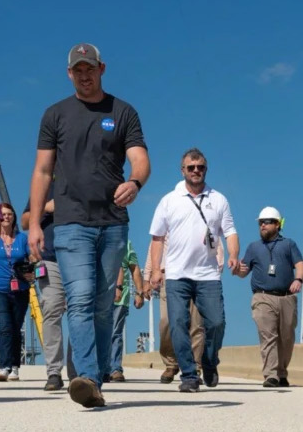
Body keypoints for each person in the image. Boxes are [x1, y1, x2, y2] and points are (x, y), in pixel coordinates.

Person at [27, 43, 151, 409]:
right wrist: (35, 224)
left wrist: (136, 182)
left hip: (112, 224)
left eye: (90, 68)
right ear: (69, 73)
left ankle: (92, 378)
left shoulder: (123, 112)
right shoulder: (55, 114)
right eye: (77, 69)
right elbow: (42, 171)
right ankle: (88, 379)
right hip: (70, 223)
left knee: (101, 304)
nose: (84, 74)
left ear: (101, 68)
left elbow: (140, 159)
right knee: (79, 299)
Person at [146, 148, 237, 393]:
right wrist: (156, 270)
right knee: (177, 323)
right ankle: (188, 374)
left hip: (208, 275)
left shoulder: (218, 199)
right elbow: (157, 238)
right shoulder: (169, 200)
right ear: (183, 170)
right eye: (191, 167)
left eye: (200, 167)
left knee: (216, 323)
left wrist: (234, 256)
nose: (196, 171)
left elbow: (229, 232)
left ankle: (208, 361)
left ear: (206, 169)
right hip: (176, 274)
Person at [234, 206, 303, 388]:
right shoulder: (253, 247)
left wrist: (298, 279)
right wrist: (237, 271)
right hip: (262, 297)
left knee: (287, 338)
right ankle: (270, 375)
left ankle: (282, 373)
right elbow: (244, 272)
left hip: (287, 298)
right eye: (260, 223)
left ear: (277, 224)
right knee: (268, 336)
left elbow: (300, 265)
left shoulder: (288, 244)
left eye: (267, 222)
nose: (263, 226)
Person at [22, 195, 75, 390]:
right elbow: (25, 221)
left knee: (79, 312)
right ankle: (53, 371)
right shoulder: (43, 187)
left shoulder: (78, 177)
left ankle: (76, 370)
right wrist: (46, 207)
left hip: (77, 256)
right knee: (51, 309)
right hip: (49, 258)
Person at [0, 203, 34, 382]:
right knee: (5, 326)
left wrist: (32, 267)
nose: (6, 217)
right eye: (2, 214)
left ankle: (15, 366)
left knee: (16, 328)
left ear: (13, 217)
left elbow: (32, 257)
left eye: (9, 214)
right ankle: (4, 366)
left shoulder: (22, 239)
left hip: (20, 289)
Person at [154, 263, 205, 383]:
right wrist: (147, 277)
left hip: (197, 275)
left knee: (196, 324)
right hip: (169, 275)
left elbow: (216, 247)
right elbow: (155, 250)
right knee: (166, 322)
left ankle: (195, 366)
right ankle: (171, 363)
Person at [109, 241, 145, 381]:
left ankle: (115, 368)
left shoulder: (126, 243)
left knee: (115, 333)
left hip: (120, 297)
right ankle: (102, 367)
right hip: (100, 296)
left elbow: (134, 268)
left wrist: (139, 292)